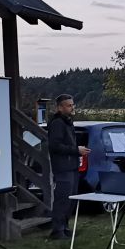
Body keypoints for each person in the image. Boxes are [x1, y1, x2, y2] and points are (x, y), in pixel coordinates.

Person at [47, 94, 90, 240]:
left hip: (72, 166)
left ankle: (65, 227)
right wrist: (76, 150)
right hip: (63, 167)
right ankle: (57, 230)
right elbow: (55, 146)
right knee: (63, 199)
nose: (72, 107)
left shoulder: (68, 122)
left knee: (71, 199)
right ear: (60, 107)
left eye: (72, 105)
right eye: (69, 105)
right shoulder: (57, 123)